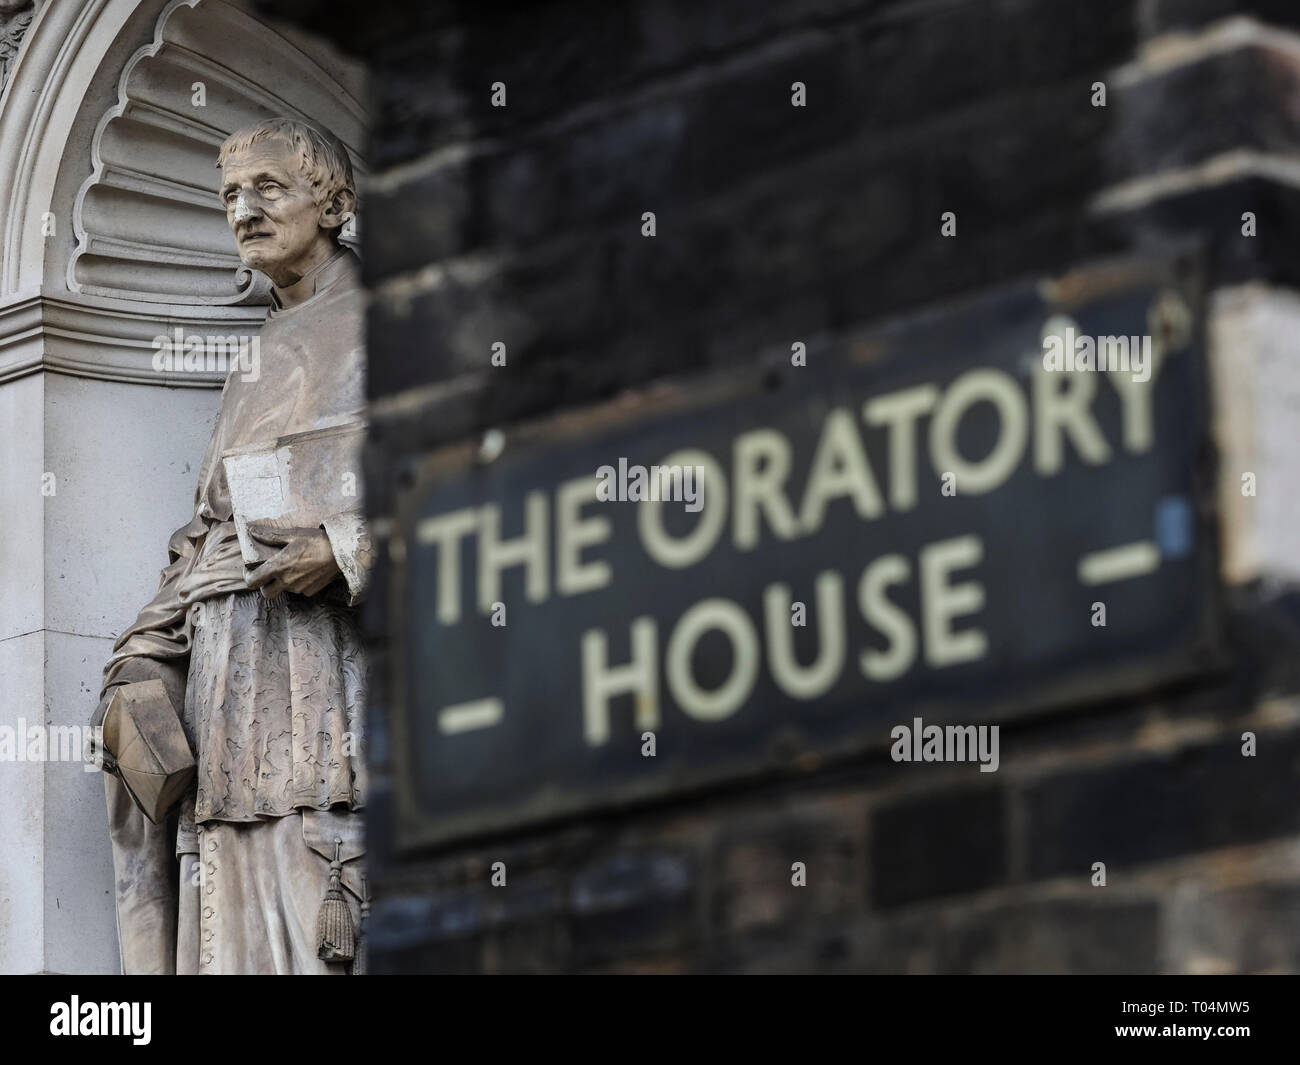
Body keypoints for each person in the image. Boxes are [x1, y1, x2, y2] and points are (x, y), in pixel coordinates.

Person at [96, 117, 371, 974]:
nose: (242, 210)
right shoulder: (250, 358)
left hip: (333, 691)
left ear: (334, 202)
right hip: (226, 708)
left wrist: (345, 550)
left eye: (267, 188)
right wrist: (140, 663)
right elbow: (204, 543)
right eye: (226, 196)